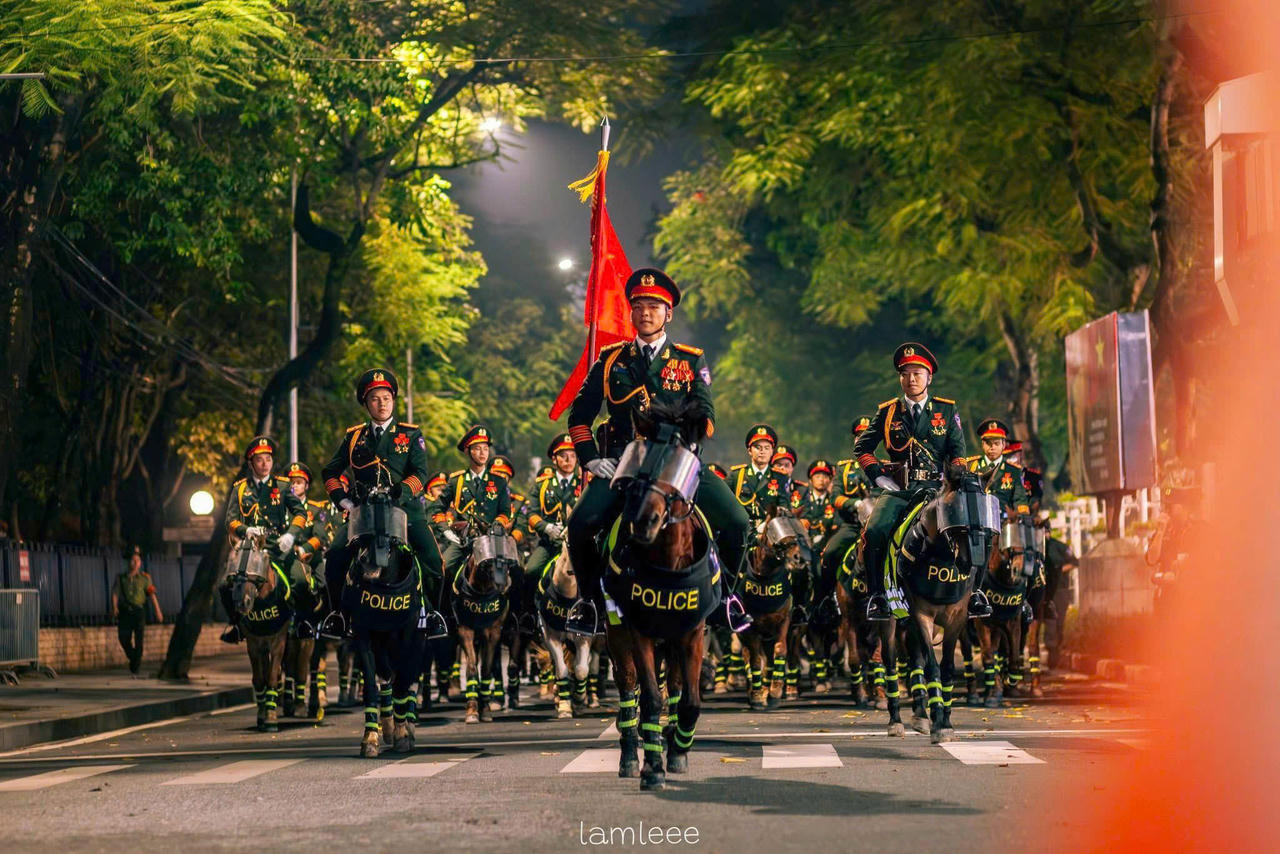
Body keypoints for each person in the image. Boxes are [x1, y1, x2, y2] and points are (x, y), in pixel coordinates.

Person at [563, 267, 752, 635]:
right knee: (580, 524)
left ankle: (726, 597)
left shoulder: (689, 359)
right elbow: (579, 417)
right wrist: (590, 458)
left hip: (677, 462)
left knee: (736, 521)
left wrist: (687, 436)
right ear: (630, 313)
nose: (646, 313)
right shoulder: (611, 360)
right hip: (624, 464)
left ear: (669, 314)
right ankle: (590, 604)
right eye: (639, 306)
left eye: (655, 306)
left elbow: (707, 416)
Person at [318, 369, 444, 639]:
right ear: (366, 403)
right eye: (375, 398)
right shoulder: (353, 437)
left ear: (394, 400)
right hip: (363, 513)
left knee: (433, 560)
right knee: (335, 558)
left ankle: (433, 614)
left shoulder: (410, 434)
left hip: (404, 512)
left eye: (387, 397)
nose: (382, 403)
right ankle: (338, 615)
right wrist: (344, 501)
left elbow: (421, 473)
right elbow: (329, 472)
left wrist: (402, 492)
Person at [852, 343, 970, 620]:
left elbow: (958, 453)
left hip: (937, 491)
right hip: (900, 490)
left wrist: (954, 481)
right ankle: (877, 596)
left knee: (973, 529)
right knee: (874, 531)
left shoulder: (946, 410)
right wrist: (879, 476)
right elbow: (862, 449)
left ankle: (973, 593)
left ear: (929, 377)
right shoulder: (888, 412)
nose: (911, 379)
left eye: (917, 373)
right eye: (905, 374)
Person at [220, 436, 308, 643]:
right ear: (251, 463)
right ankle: (236, 624)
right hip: (249, 548)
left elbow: (300, 514)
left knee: (301, 578)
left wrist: (290, 534)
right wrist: (245, 529)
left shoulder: (284, 486)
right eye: (259, 460)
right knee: (225, 584)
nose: (264, 464)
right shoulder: (240, 488)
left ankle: (302, 623)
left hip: (278, 545)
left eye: (268, 459)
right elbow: (230, 520)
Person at [111, 546, 162, 675]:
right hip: (125, 612)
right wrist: (114, 607)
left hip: (139, 612)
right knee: (123, 638)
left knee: (139, 640)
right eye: (132, 560)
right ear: (128, 562)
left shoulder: (145, 578)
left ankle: (136, 664)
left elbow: (152, 595)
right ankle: (133, 657)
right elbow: (115, 592)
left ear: (140, 563)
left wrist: (158, 611)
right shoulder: (121, 578)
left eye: (137, 561)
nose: (135, 563)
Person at [730, 424, 780, 523]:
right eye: (758, 447)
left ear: (772, 451)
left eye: (767, 448)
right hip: (743, 530)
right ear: (749, 451)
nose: (762, 452)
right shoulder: (737, 475)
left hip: (771, 530)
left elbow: (784, 509)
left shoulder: (780, 477)